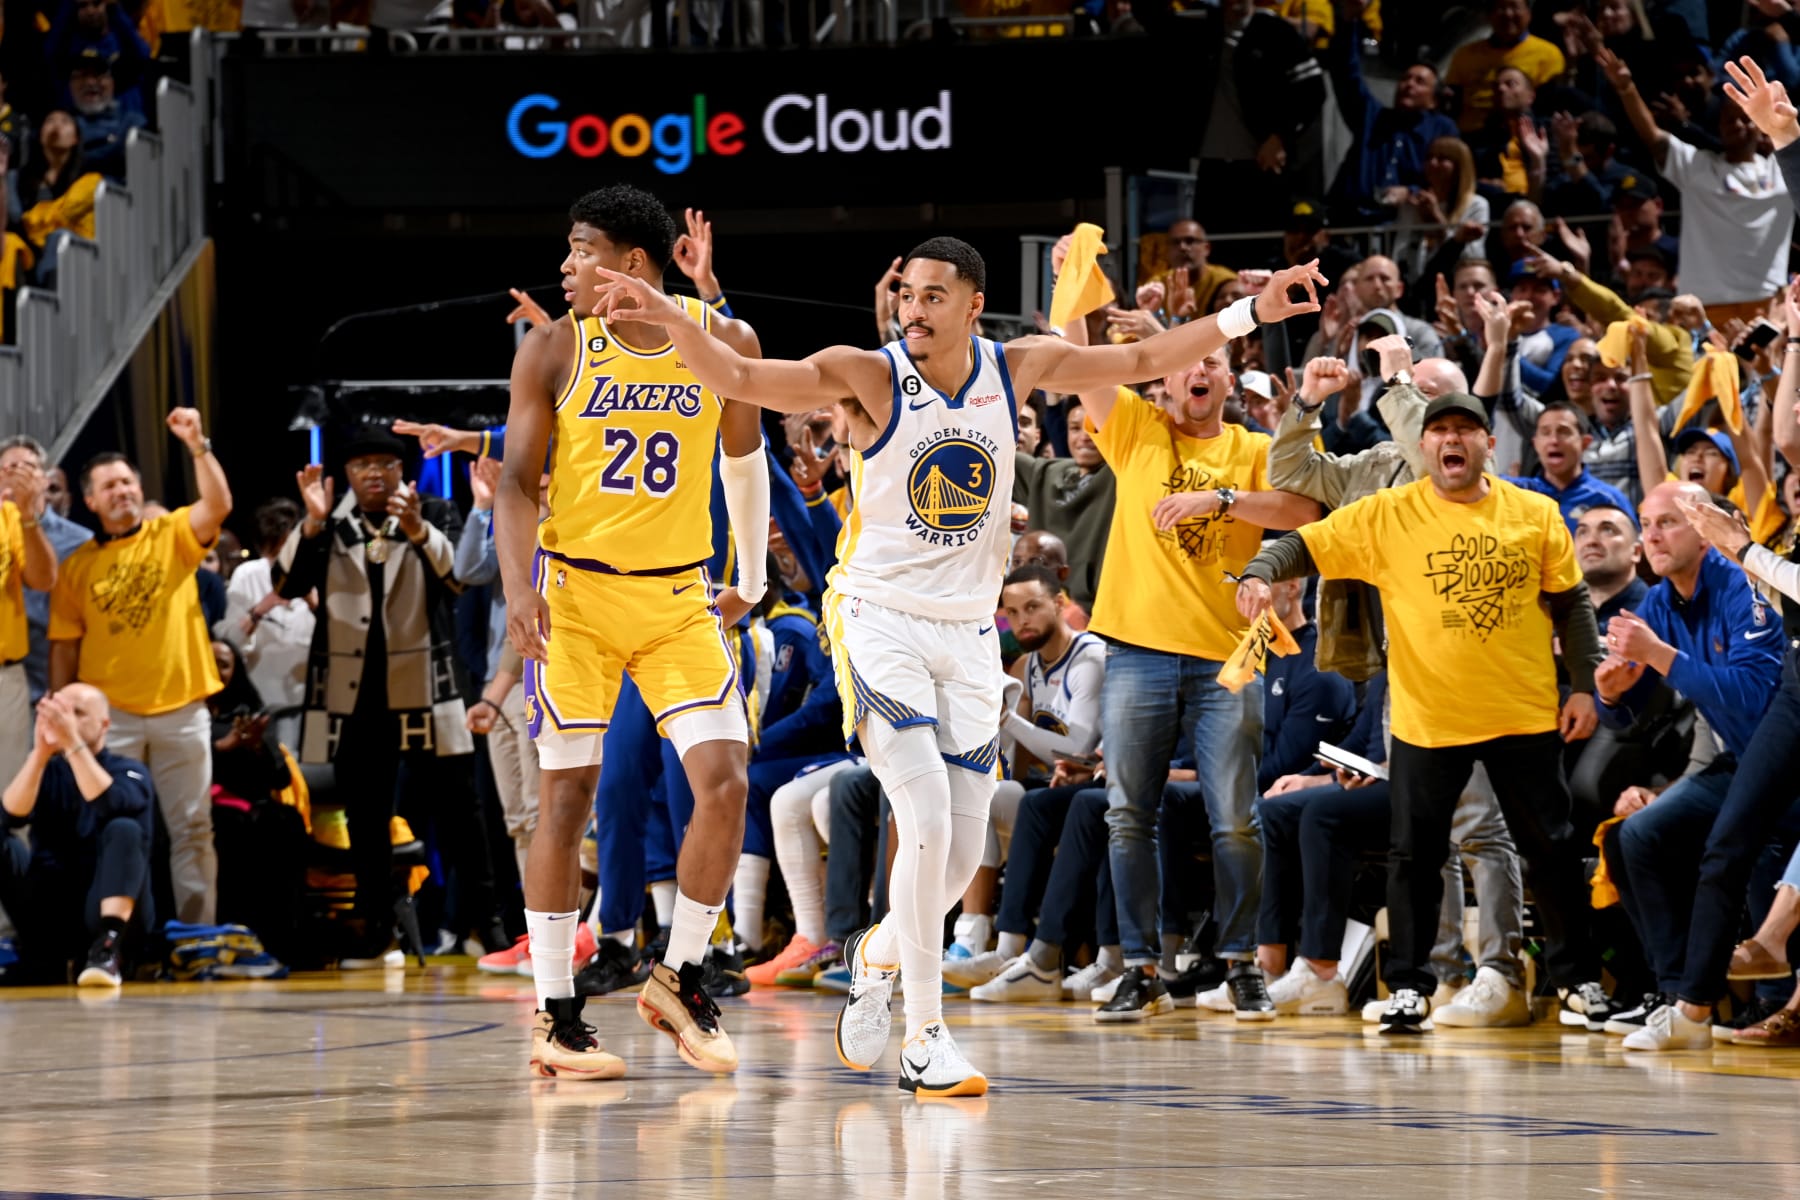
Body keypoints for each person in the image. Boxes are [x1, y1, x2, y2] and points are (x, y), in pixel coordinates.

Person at [589, 232, 1328, 1090]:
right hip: (880, 619)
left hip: (970, 634)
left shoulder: (1012, 366)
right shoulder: (868, 373)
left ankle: (878, 953)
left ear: (974, 305)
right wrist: (676, 314)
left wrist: (1251, 311)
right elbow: (746, 381)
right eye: (906, 294)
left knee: (954, 860)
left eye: (933, 296)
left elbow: (1147, 354)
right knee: (928, 817)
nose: (913, 311)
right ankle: (924, 1040)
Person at [494, 187, 771, 1082]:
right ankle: (555, 1012)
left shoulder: (723, 344)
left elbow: (743, 456)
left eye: (581, 251)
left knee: (725, 781)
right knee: (566, 797)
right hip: (575, 596)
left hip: (679, 596)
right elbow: (514, 484)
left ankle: (679, 976)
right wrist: (517, 587)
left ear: (633, 267)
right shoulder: (555, 347)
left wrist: (755, 579)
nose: (566, 266)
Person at [1238, 387, 1610, 1035]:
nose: (1452, 440)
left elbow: (1573, 604)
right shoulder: (1389, 513)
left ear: (1488, 446)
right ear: (1425, 446)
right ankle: (1409, 986)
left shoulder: (1536, 512)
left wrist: (1582, 685)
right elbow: (1306, 542)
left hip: (1521, 714)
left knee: (1548, 850)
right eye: (1440, 431)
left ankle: (1575, 980)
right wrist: (1258, 570)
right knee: (1414, 855)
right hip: (1427, 719)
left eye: (1467, 429)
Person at [282, 431, 503, 965]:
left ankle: (488, 923)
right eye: (362, 465)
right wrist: (311, 523)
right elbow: (289, 586)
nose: (375, 473)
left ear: (403, 470)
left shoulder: (435, 510)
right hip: (355, 695)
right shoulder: (328, 520)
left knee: (460, 812)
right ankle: (378, 928)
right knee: (365, 815)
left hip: (428, 687)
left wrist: (416, 530)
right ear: (348, 474)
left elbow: (458, 579)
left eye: (385, 463)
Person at [1595, 483, 1783, 1048]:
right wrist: (1609, 695)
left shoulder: (1743, 587)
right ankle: (1676, 994)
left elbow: (1753, 696)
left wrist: (1657, 654)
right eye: (1646, 523)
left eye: (1668, 522)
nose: (1651, 535)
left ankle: (1771, 1002)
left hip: (1783, 766)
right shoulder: (1659, 601)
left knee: (1747, 839)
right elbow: (1627, 711)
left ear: (1704, 530)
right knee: (1636, 837)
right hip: (1734, 763)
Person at [50, 410, 229, 926]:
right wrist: (66, 720)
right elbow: (64, 648)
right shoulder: (78, 566)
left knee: (194, 829)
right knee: (116, 829)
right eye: (108, 486)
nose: (122, 491)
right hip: (113, 720)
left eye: (128, 481)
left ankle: (197, 939)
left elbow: (218, 505)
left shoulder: (171, 534)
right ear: (90, 501)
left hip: (182, 710)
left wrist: (197, 445)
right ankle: (123, 938)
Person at [941, 564, 1104, 988]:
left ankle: (1007, 945)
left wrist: (1007, 720)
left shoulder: (1089, 657)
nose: (1021, 621)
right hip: (1055, 791)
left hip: (1093, 787)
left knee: (1018, 801)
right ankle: (976, 936)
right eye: (1011, 613)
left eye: (1032, 607)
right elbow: (1021, 754)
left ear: (1060, 603)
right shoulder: (1030, 665)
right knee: (976, 795)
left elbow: (1080, 748)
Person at [1602, 47, 1793, 326]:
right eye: (1729, 119)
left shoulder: (1783, 169)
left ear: (1760, 126)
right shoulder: (1696, 167)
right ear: (1718, 127)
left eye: (1746, 119)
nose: (1738, 125)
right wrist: (1626, 87)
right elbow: (1654, 137)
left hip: (1765, 306)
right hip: (1705, 307)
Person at [0, 682, 151, 986]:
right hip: (55, 907)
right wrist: (40, 753)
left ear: (104, 724)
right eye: (57, 713)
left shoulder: (129, 770)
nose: (63, 720)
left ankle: (107, 950)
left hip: (110, 913)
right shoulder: (48, 771)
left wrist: (72, 743)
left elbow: (108, 801)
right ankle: (40, 955)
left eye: (76, 713)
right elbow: (10, 816)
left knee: (124, 828)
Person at [0, 444, 55, 781]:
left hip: (5, 678)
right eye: (11, 466)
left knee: (10, 792)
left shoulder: (11, 519)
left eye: (26, 467)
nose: (18, 473)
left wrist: (28, 517)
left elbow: (44, 579)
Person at [1445, 0, 1566, 134]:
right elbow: (1453, 101)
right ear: (1489, 15)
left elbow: (1546, 108)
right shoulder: (1465, 54)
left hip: (1523, 134)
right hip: (1470, 134)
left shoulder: (1548, 54)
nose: (1508, 14)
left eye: (1515, 7)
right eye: (1501, 8)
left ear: (1529, 13)